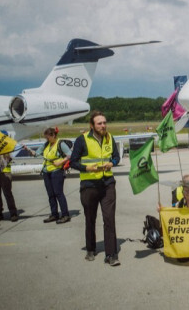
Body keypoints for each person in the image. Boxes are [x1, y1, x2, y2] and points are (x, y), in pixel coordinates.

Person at [70, 111, 121, 266]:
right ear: (92, 125)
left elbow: (116, 157)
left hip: (107, 184)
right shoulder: (82, 140)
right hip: (89, 186)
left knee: (109, 219)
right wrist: (87, 168)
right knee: (90, 219)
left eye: (104, 122)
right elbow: (73, 162)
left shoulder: (110, 138)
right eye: (99, 123)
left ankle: (111, 254)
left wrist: (112, 163)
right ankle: (91, 249)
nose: (103, 125)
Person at [34, 127, 71, 224]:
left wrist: (60, 162)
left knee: (58, 193)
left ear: (53, 135)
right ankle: (54, 214)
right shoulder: (47, 144)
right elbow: (37, 153)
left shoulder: (60, 144)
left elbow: (70, 155)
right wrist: (31, 152)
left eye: (48, 137)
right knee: (51, 195)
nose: (47, 139)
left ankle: (65, 215)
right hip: (47, 172)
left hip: (57, 172)